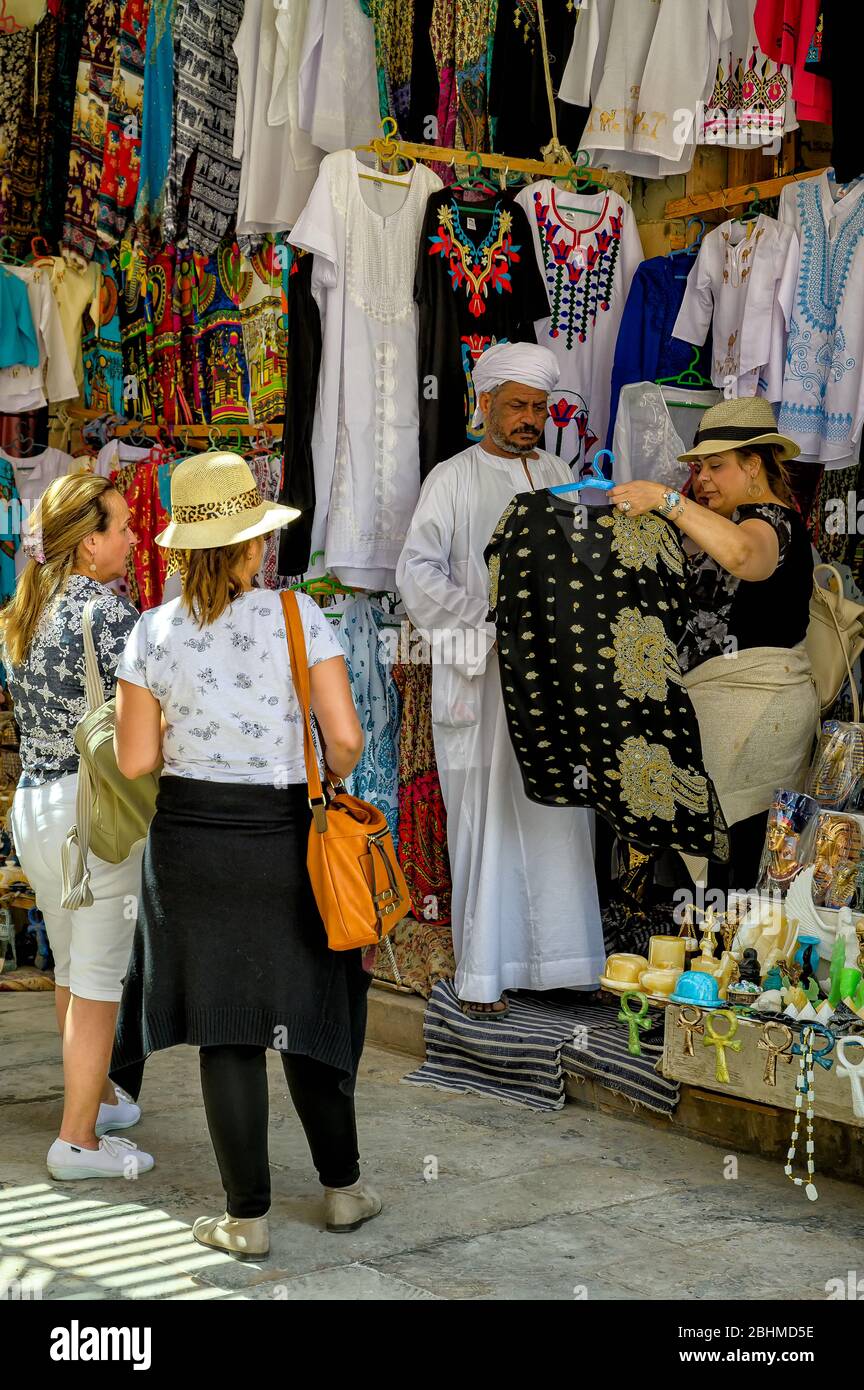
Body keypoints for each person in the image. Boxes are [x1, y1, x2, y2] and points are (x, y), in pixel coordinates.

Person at [111, 451, 379, 1261]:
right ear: (251, 543)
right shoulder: (299, 616)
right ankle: (343, 1191)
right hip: (287, 838)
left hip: (190, 846)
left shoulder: (151, 632)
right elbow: (345, 740)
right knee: (310, 1014)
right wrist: (320, 774)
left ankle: (246, 1219)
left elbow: (134, 760)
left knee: (226, 1029)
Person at [396, 343, 605, 1019]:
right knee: (485, 820)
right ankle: (485, 972)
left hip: (552, 681)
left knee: (558, 817)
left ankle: (566, 965)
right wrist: (487, 624)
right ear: (484, 403)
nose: (530, 419)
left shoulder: (560, 473)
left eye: (539, 407)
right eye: (517, 405)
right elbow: (416, 572)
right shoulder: (452, 478)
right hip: (482, 679)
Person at [0, 474, 154, 1180]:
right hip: (92, 810)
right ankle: (77, 1141)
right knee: (98, 978)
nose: (134, 537)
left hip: (35, 808)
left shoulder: (23, 611)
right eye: (122, 526)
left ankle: (98, 1098)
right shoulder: (109, 614)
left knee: (72, 964)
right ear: (89, 542)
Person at [609, 397, 818, 893]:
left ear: (754, 464)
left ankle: (723, 938)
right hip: (724, 711)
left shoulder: (770, 520)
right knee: (725, 859)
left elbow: (747, 557)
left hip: (754, 711)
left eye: (716, 465)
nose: (702, 478)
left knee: (735, 855)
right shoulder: (724, 523)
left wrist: (666, 499)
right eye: (698, 467)